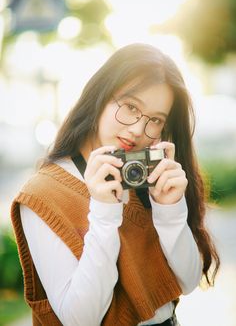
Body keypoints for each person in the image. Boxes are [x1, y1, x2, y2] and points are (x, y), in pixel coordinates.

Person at [11, 43, 220, 326]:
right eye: (131, 106)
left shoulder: (147, 177)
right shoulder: (43, 194)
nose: (137, 129)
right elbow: (79, 320)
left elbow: (187, 281)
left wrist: (170, 211)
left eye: (155, 120)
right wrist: (103, 212)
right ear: (100, 97)